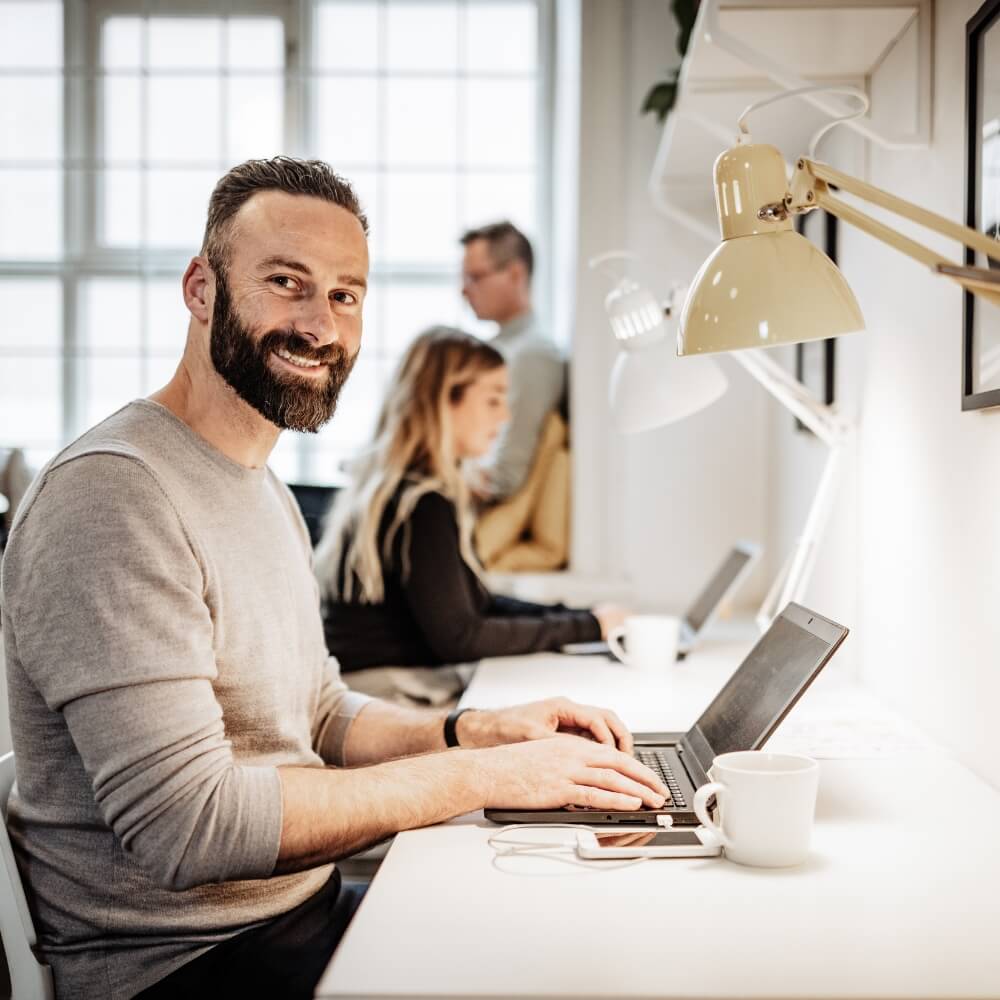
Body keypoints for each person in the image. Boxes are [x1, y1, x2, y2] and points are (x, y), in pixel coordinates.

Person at [0, 157, 668, 1000]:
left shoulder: (260, 485)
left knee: (586, 934)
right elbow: (188, 832)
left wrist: (476, 733)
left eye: (345, 295)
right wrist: (481, 779)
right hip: (193, 966)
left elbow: (319, 712)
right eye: (287, 282)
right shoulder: (112, 497)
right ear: (200, 288)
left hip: (296, 917)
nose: (321, 325)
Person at [314, 326, 626, 701]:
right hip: (385, 696)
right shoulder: (420, 505)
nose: (505, 416)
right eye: (493, 400)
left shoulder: (408, 491)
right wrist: (588, 626)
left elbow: (479, 604)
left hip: (380, 686)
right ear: (444, 402)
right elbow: (461, 637)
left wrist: (584, 619)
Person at [460, 221, 565, 502]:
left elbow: (503, 475)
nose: (464, 290)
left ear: (516, 274)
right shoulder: (496, 349)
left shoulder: (532, 356)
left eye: (475, 277)